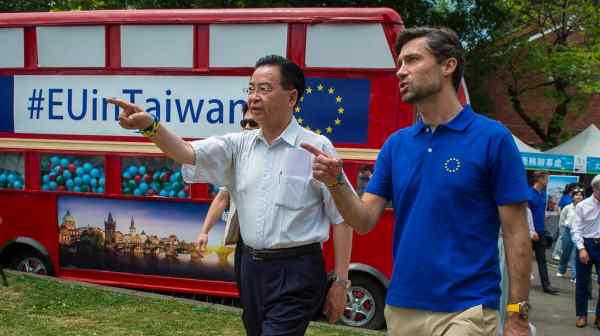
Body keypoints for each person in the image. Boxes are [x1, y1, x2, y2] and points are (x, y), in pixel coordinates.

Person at [302, 26, 532, 336]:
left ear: (448, 66)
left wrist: (517, 315)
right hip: (401, 309)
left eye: (412, 60)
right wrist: (335, 182)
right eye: (399, 63)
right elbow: (363, 220)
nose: (400, 72)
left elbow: (516, 234)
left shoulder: (492, 138)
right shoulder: (396, 145)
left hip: (467, 310)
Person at [109, 54, 354, 336]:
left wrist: (340, 282)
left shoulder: (316, 147)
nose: (254, 97)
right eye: (250, 89)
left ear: (291, 97)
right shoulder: (238, 146)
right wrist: (150, 126)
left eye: (264, 89)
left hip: (297, 270)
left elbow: (342, 218)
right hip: (250, 267)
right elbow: (187, 153)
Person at [196, 104, 259, 288]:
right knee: (247, 295)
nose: (247, 128)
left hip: (273, 245)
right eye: (244, 123)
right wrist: (204, 231)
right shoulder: (237, 158)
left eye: (253, 124)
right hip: (245, 243)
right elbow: (222, 198)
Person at [572, 174, 600, 328]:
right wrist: (581, 248)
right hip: (586, 244)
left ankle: (599, 317)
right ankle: (581, 315)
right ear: (595, 188)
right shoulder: (583, 205)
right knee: (582, 283)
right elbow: (576, 229)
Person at [528, 171, 560, 295]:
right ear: (540, 179)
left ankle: (546, 286)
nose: (548, 181)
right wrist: (530, 231)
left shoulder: (543, 195)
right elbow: (525, 215)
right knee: (525, 259)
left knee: (542, 260)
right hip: (529, 233)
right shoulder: (528, 194)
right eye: (546, 178)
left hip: (541, 231)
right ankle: (522, 282)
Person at [556, 189, 585, 282]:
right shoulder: (567, 207)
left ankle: (575, 275)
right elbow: (562, 220)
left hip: (579, 233)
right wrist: (562, 233)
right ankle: (561, 270)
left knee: (575, 255)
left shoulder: (585, 208)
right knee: (565, 252)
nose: (578, 196)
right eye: (576, 195)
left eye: (581, 195)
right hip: (567, 231)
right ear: (572, 197)